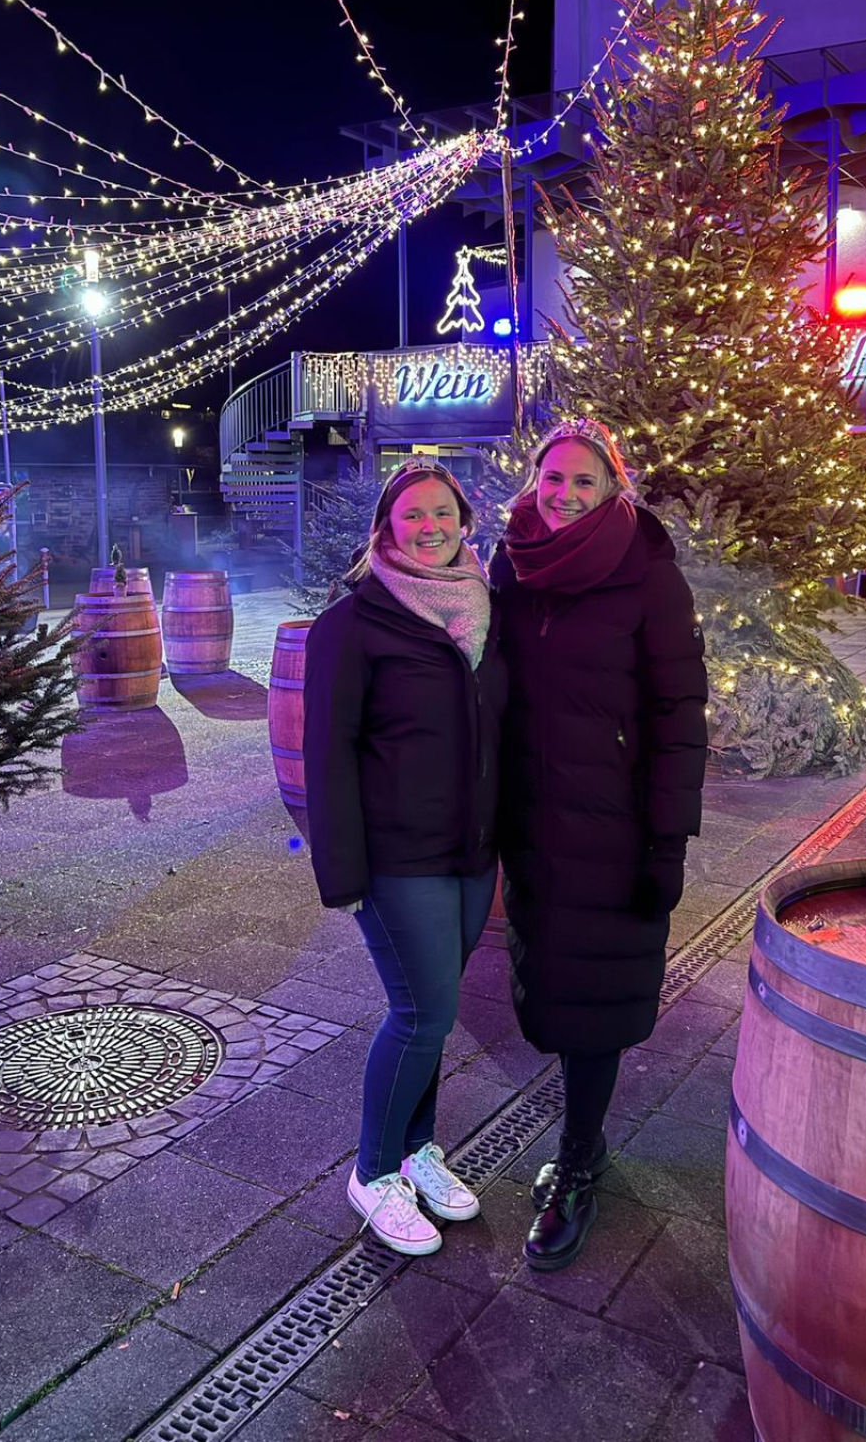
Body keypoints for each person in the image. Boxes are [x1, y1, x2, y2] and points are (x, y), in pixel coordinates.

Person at [491, 420, 708, 1271]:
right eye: (554, 478)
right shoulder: (512, 560)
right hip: (533, 820)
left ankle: (579, 1161)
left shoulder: (646, 570)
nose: (565, 495)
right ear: (535, 480)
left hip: (613, 828)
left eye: (585, 481)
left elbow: (678, 715)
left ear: (614, 487)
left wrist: (668, 840)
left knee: (594, 1005)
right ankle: (584, 1143)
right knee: (548, 986)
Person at [303, 460, 507, 1257]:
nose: (429, 527)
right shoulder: (353, 624)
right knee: (421, 1013)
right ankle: (373, 1169)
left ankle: (420, 1150)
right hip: (397, 856)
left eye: (442, 514)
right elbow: (329, 755)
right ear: (385, 530)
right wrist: (343, 874)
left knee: (438, 1010)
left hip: (469, 852)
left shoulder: (483, 610)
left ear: (464, 522)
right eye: (412, 516)